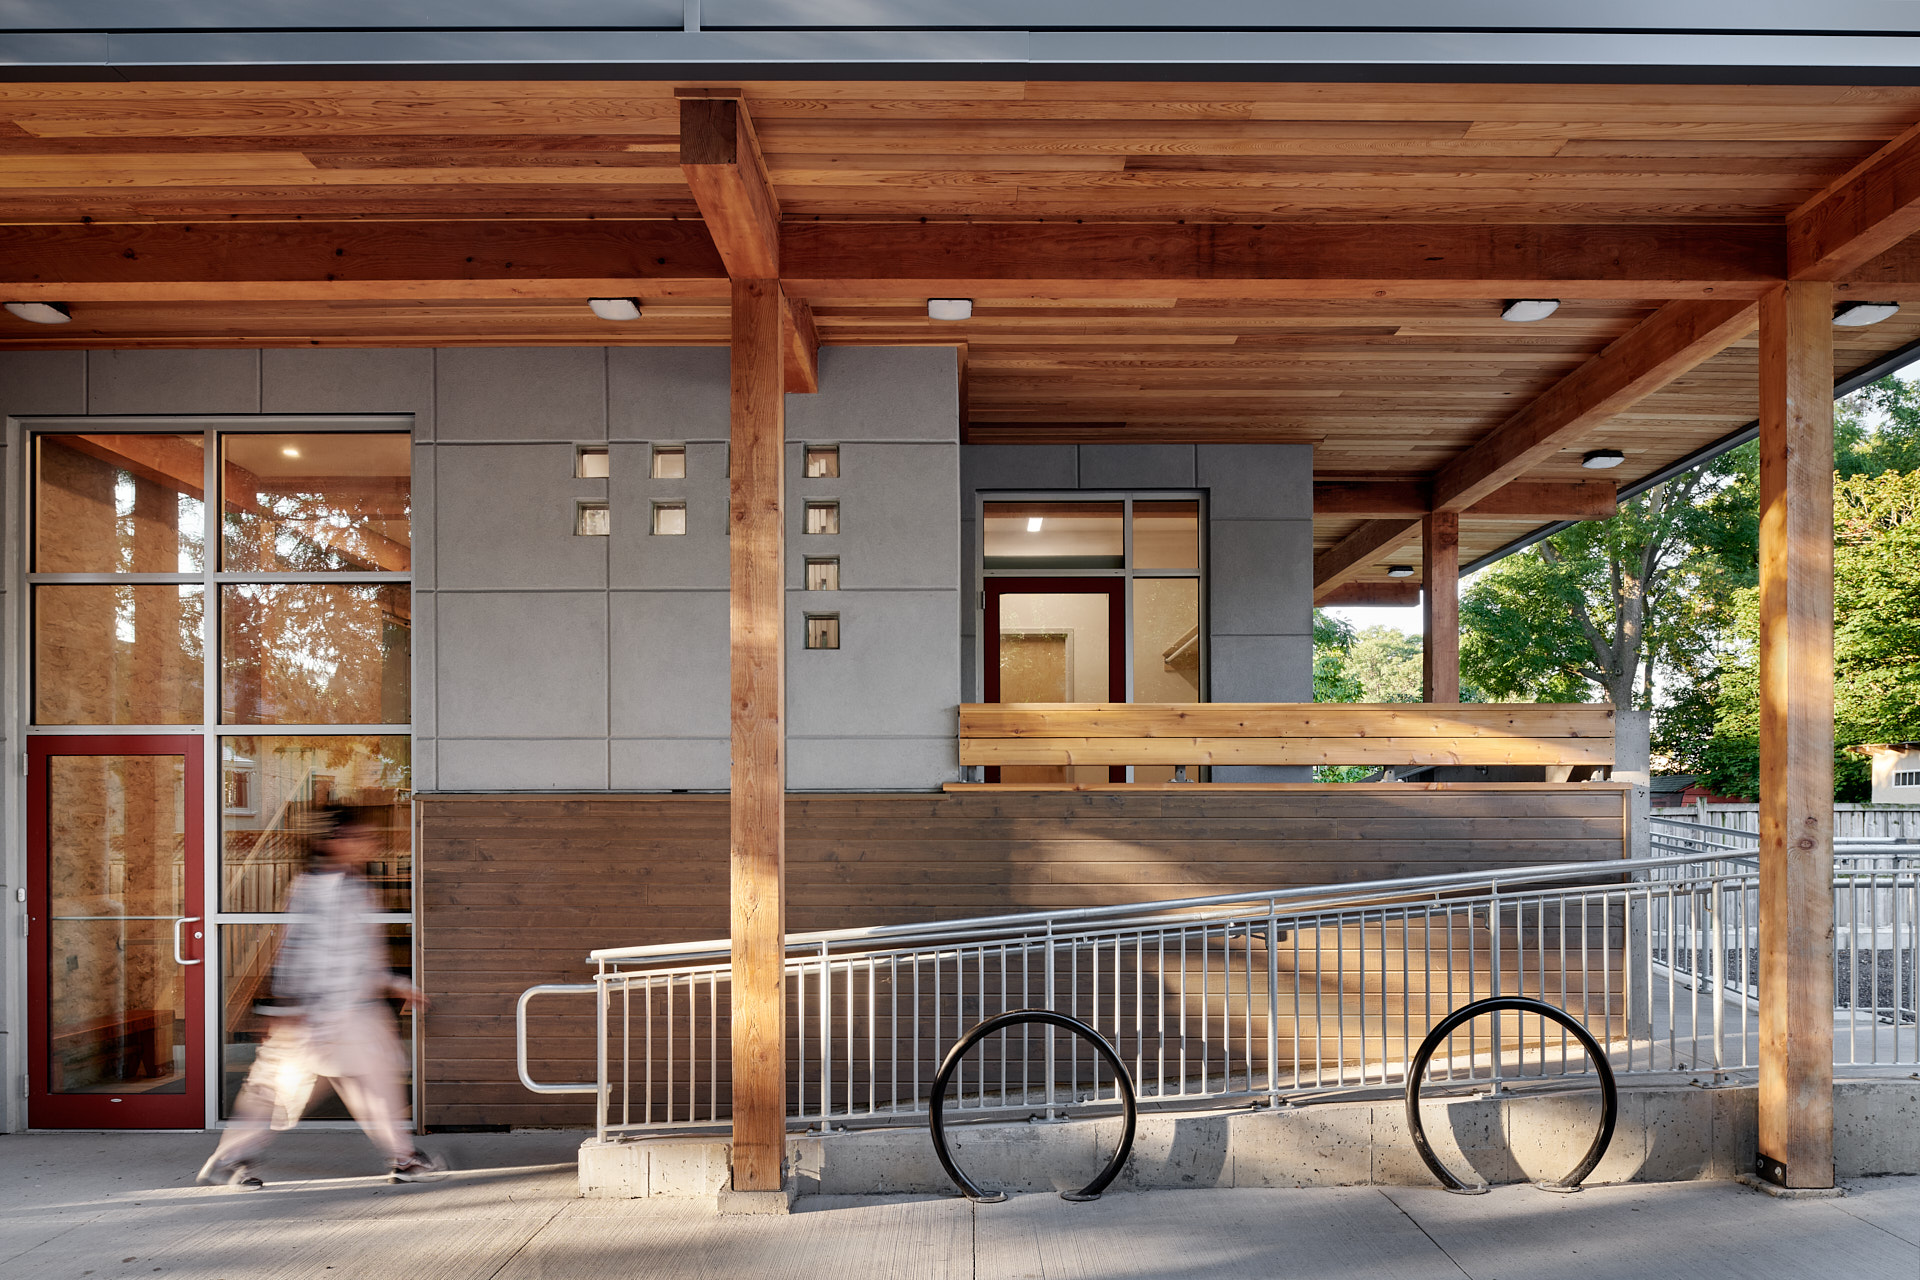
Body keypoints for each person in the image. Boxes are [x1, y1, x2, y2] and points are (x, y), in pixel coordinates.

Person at [197, 804, 445, 1188]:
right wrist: (289, 1010)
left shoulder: (352, 886)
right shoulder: (315, 889)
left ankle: (404, 1157)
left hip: (350, 1011)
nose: (372, 843)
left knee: (372, 1083)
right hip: (317, 1013)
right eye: (362, 836)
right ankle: (228, 1159)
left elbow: (359, 954)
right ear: (335, 841)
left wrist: (395, 984)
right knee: (279, 1091)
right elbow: (295, 950)